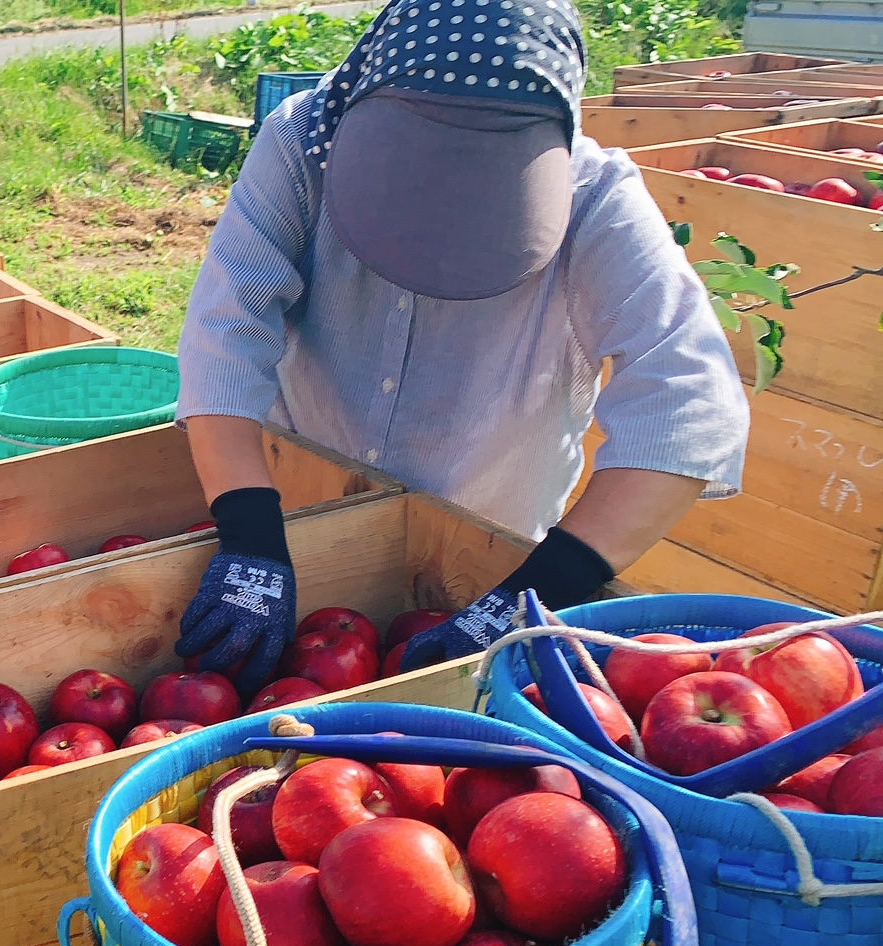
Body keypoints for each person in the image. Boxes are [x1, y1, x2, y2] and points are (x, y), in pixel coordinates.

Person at [172, 0, 751, 686]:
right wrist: (249, 529)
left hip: (491, 543)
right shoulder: (306, 142)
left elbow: (689, 406)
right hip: (304, 507)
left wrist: (535, 594)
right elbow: (226, 330)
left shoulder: (594, 202)